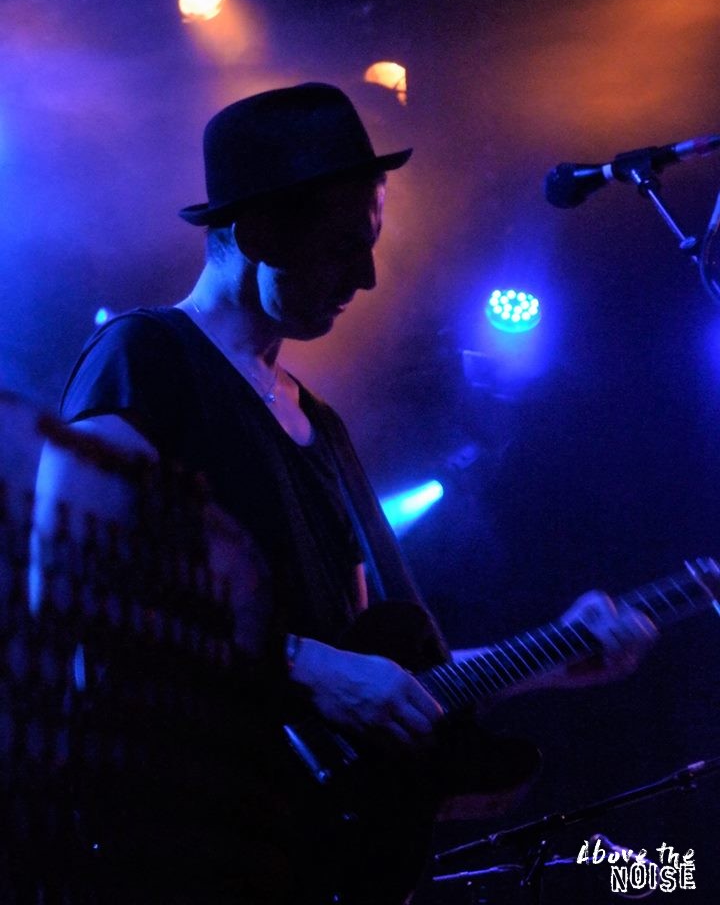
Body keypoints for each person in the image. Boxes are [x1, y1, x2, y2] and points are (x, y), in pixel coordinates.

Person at [32, 83, 655, 905]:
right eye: (342, 247)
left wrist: (550, 659)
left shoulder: (320, 427)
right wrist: (304, 666)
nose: (365, 276)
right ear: (257, 231)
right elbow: (69, 593)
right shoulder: (145, 359)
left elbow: (380, 677)